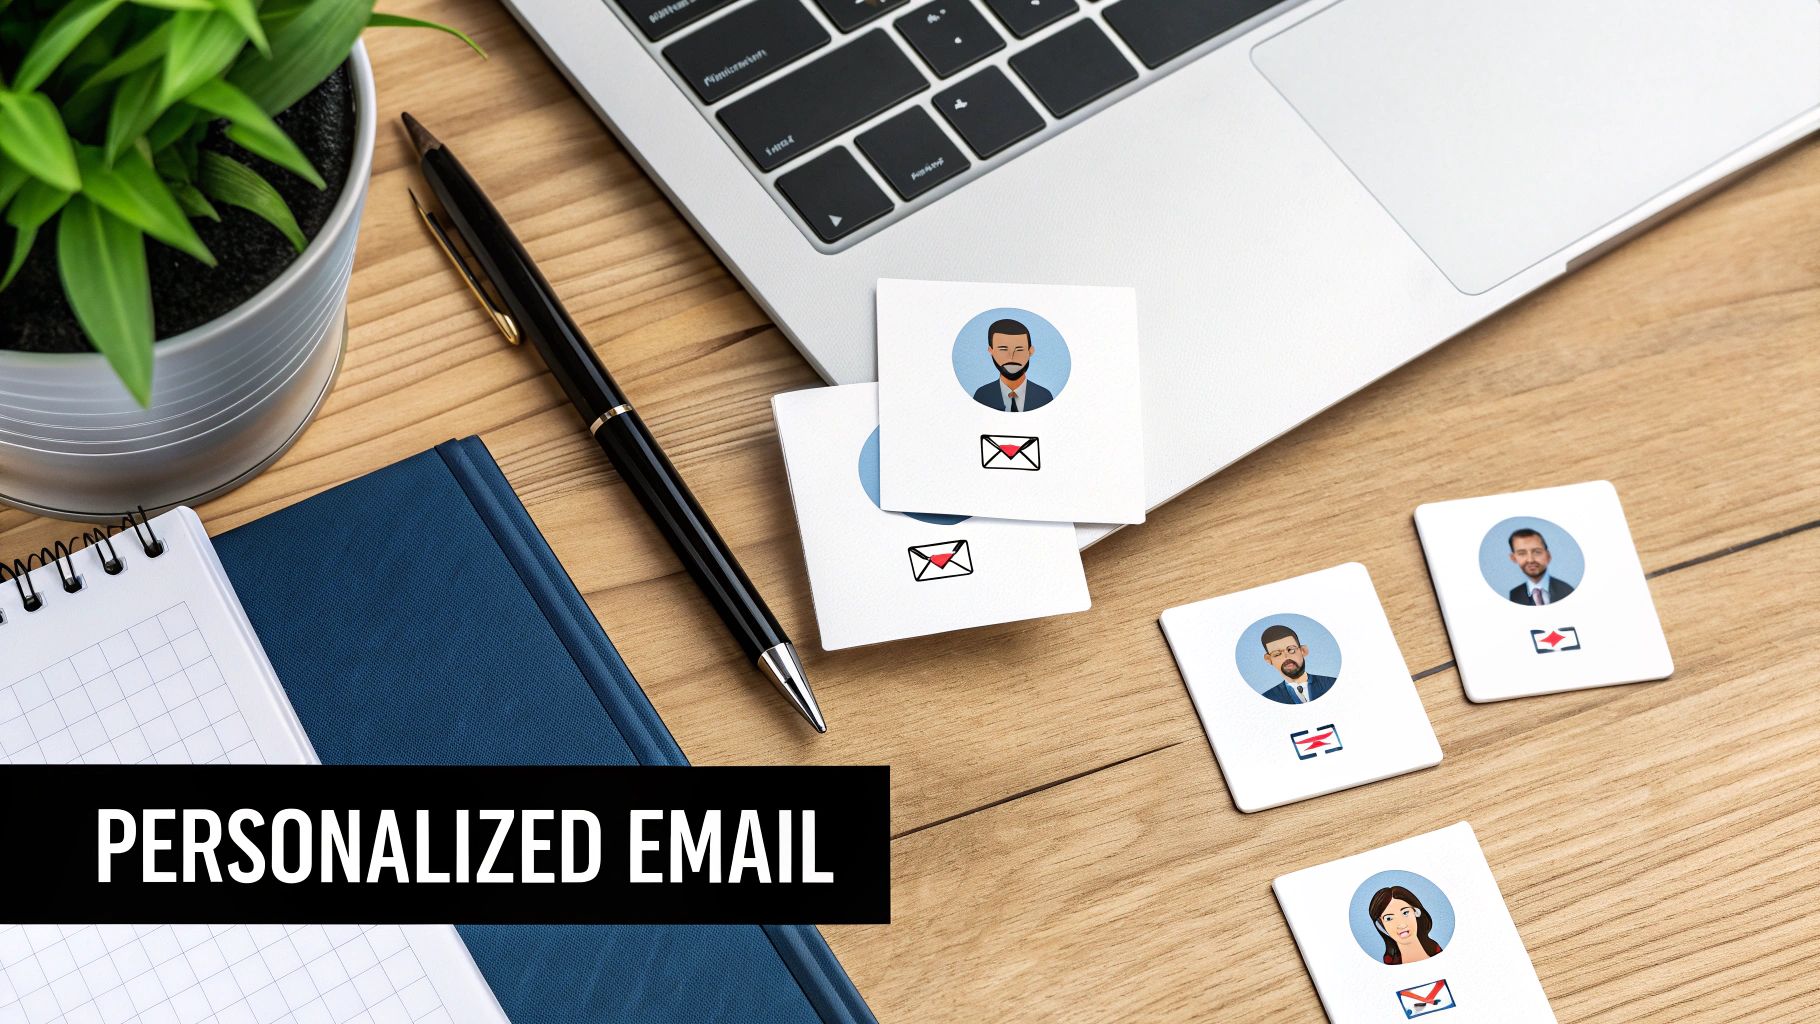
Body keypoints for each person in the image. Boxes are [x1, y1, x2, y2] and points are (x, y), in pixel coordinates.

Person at [970, 318, 1054, 412]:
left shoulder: (1044, 397)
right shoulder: (982, 396)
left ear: (1030, 351)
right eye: (1003, 349)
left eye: (1019, 349)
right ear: (991, 351)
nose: (1011, 357)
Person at [1256, 623, 1335, 705]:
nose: (1286, 657)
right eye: (1277, 654)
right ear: (1269, 660)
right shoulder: (1267, 699)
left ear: (1303, 651)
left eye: (1291, 650)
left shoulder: (1332, 684)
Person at [1368, 885, 1445, 965]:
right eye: (1389, 918)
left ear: (1416, 912)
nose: (1401, 925)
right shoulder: (1389, 963)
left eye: (1405, 913)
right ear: (1380, 925)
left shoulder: (1436, 950)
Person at [1506, 527, 1575, 605]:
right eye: (1522, 553)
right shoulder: (1514, 595)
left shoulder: (1568, 591)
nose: (1530, 560)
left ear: (1548, 556)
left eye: (1537, 552)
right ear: (1513, 558)